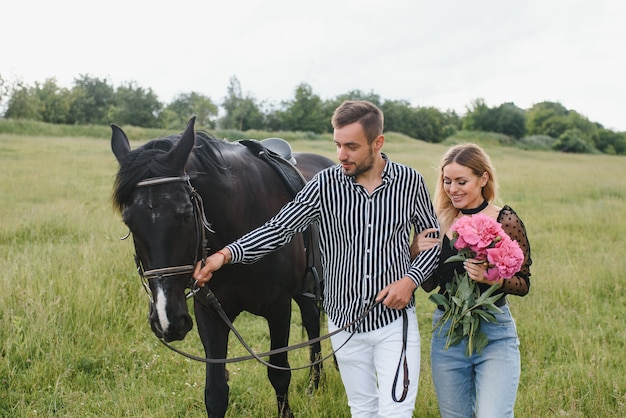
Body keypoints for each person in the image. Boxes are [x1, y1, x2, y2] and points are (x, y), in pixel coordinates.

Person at [193, 100, 440, 417]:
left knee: (396, 412)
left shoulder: (410, 182)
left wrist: (410, 280)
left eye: (351, 146)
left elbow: (431, 240)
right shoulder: (324, 185)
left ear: (378, 142)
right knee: (362, 409)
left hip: (393, 322)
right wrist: (224, 256)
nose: (341, 155)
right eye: (337, 144)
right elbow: (279, 228)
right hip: (343, 322)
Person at [411, 143, 532, 418]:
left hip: (495, 332)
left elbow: (523, 282)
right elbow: (429, 284)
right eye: (447, 181)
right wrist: (416, 249)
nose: (453, 189)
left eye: (461, 181)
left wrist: (493, 280)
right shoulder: (439, 220)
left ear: (483, 178)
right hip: (448, 332)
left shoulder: (505, 220)